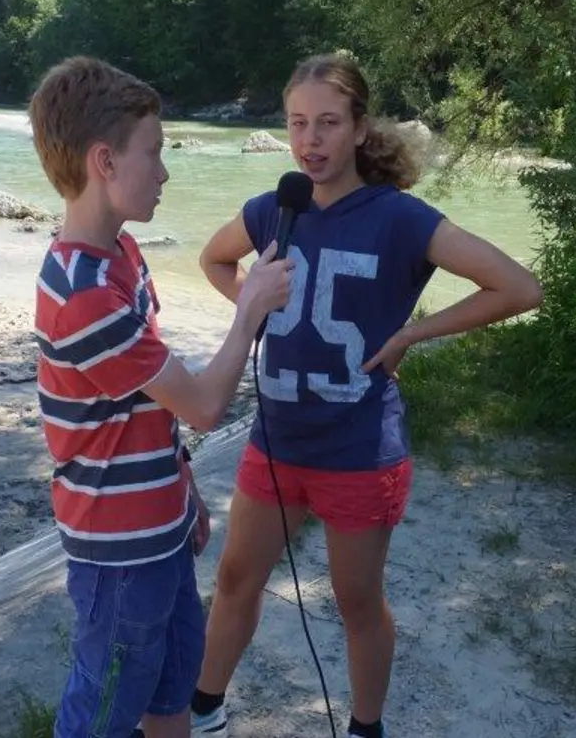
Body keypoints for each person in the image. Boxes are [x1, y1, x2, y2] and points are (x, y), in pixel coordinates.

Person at [188, 53, 543, 738]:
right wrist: (253, 308)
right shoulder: (273, 210)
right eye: (297, 124)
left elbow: (519, 287)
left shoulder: (400, 219)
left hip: (359, 452)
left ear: (358, 129)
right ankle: (204, 706)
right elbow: (212, 258)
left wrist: (414, 332)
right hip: (277, 443)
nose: (310, 141)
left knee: (355, 601)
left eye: (327, 123)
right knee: (235, 580)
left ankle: (364, 727)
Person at [28, 56, 294, 738]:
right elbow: (203, 406)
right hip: (118, 554)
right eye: (156, 152)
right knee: (101, 714)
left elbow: (147, 404)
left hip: (158, 530)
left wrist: (183, 492)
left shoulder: (121, 255)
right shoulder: (81, 295)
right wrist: (249, 311)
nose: (167, 172)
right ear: (104, 162)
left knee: (169, 693)